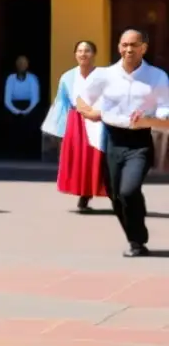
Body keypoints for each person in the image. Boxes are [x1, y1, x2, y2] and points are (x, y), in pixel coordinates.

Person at [77, 29, 169, 257]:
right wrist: (89, 112)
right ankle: (134, 236)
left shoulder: (157, 77)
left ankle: (138, 240)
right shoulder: (104, 75)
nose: (129, 49)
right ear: (119, 47)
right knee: (115, 194)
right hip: (111, 139)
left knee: (128, 190)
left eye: (134, 45)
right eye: (125, 45)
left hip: (139, 141)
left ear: (143, 48)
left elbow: (165, 114)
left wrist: (148, 120)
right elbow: (81, 98)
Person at [40, 41, 106, 212]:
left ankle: (111, 194)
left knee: (99, 159)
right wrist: (58, 128)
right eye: (80, 50)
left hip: (98, 119)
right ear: (75, 54)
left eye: (87, 51)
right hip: (76, 121)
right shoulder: (67, 77)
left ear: (94, 54)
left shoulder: (103, 76)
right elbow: (61, 103)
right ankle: (83, 196)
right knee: (80, 159)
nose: (83, 54)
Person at [3, 56, 42, 158]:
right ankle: (12, 152)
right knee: (11, 124)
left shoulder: (32, 78)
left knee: (31, 123)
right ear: (16, 65)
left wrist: (26, 111)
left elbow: (35, 98)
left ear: (27, 65)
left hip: (29, 106)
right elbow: (7, 99)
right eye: (19, 63)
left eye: (24, 63)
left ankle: (29, 152)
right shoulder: (11, 78)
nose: (21, 65)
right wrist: (15, 111)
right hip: (14, 106)